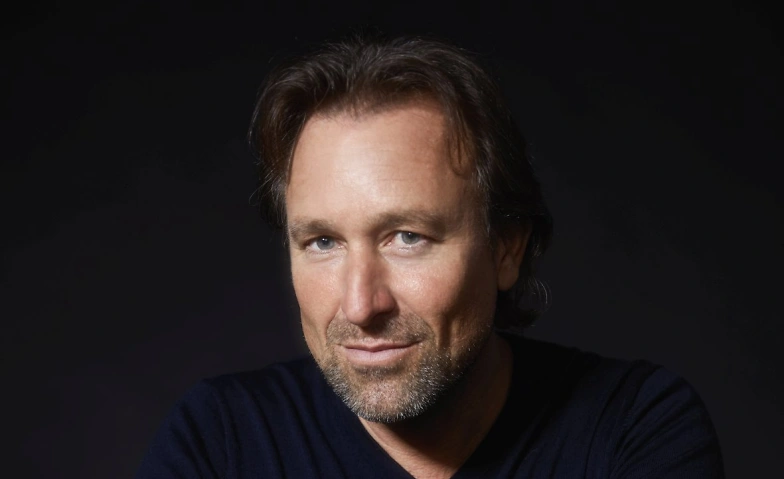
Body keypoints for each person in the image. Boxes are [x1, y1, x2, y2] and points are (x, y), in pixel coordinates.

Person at [135, 33, 724, 478]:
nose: (361, 305)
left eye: (407, 237)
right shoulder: (221, 441)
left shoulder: (635, 426)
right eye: (323, 242)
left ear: (506, 248)